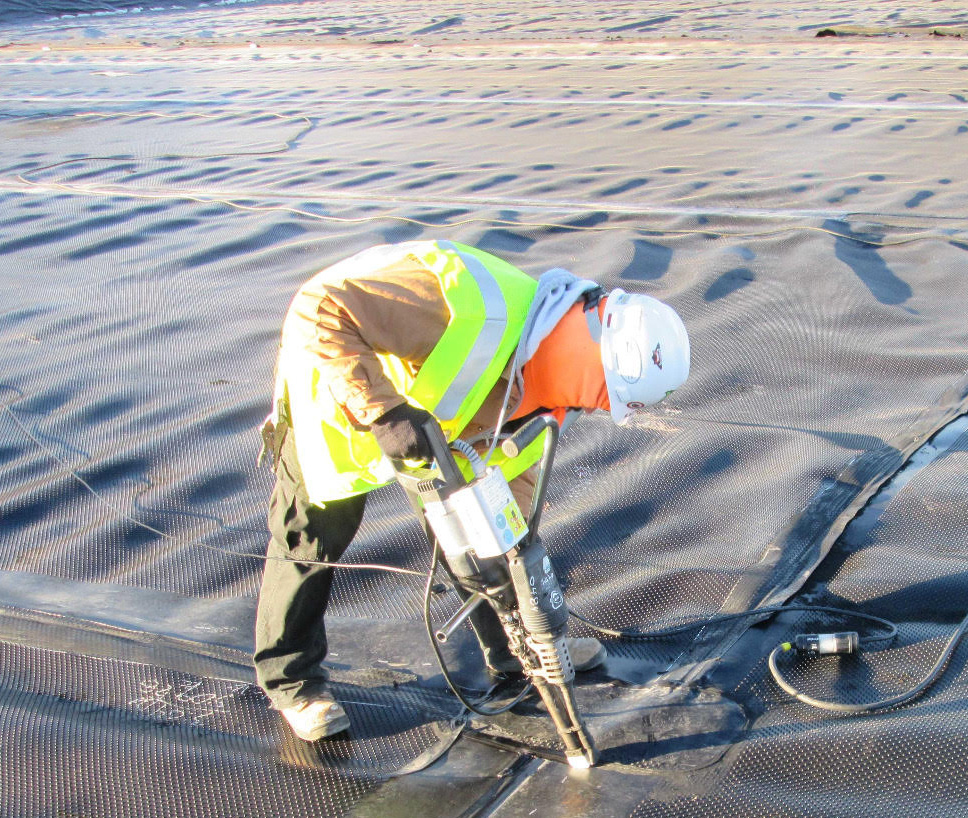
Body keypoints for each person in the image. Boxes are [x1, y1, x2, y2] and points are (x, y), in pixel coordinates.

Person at [254, 239, 691, 740]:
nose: (596, 408)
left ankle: (513, 653)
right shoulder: (471, 306)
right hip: (337, 400)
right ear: (595, 356)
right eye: (605, 395)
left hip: (435, 429)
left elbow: (510, 503)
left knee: (481, 536)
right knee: (312, 537)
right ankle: (293, 680)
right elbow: (320, 306)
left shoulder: (554, 394)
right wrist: (382, 411)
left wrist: (524, 596)